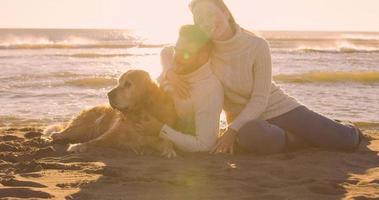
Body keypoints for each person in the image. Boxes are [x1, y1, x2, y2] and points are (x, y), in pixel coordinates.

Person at [164, 0, 362, 155]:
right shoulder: (207, 48)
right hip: (247, 122)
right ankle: (296, 139)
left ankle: (346, 129)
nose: (206, 21)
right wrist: (169, 72)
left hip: (281, 109)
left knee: (345, 142)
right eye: (199, 18)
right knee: (252, 137)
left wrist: (231, 131)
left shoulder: (257, 46)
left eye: (210, 13)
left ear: (225, 12)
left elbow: (261, 99)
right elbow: (168, 51)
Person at [138, 24, 224, 152]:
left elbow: (204, 145)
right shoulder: (179, 65)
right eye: (177, 49)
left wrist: (160, 129)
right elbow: (166, 51)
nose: (176, 57)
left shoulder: (209, 90)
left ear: (203, 56)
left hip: (171, 136)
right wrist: (169, 73)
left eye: (185, 53)